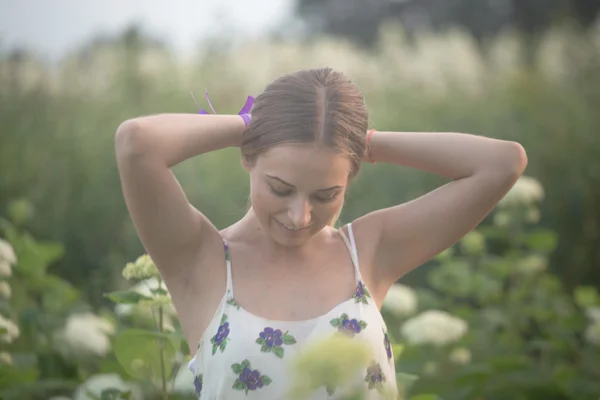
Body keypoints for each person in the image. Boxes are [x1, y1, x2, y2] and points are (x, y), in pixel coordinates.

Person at [114, 67, 527, 399]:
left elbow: (503, 163)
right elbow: (137, 143)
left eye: (327, 194)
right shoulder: (199, 260)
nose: (300, 216)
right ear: (248, 158)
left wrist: (359, 140)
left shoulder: (368, 251)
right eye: (281, 188)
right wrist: (252, 125)